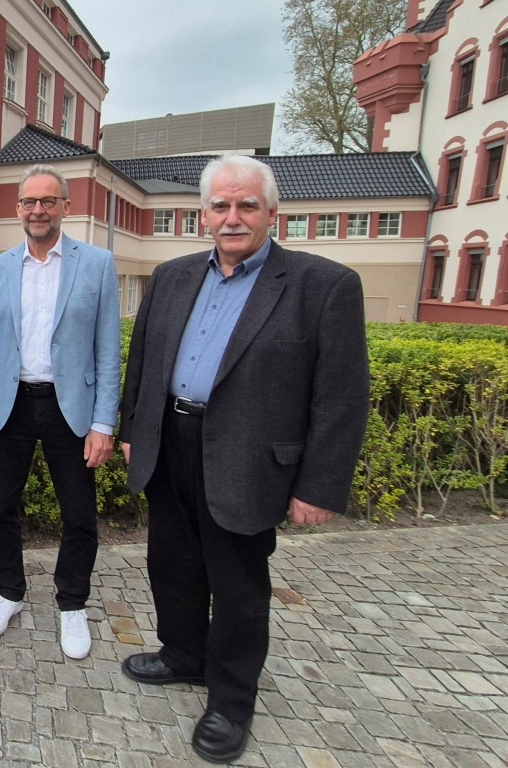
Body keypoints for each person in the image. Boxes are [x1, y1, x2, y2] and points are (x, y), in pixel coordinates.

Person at [118, 155, 369, 763]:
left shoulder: (324, 285)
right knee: (172, 563)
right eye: (221, 206)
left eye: (246, 206)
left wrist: (319, 485)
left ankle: (231, 700)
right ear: (203, 214)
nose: (233, 218)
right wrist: (133, 429)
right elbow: (144, 362)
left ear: (271, 212)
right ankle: (182, 655)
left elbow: (341, 395)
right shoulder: (172, 276)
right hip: (169, 442)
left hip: (248, 458)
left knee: (237, 584)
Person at [0, 164, 120, 660]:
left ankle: (72, 603)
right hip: (9, 406)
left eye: (48, 201)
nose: (38, 210)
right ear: (18, 209)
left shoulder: (96, 264)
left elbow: (106, 349)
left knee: (78, 515)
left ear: (65, 207)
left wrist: (103, 423)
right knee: (0, 507)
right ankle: (9, 592)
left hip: (69, 407)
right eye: (29, 202)